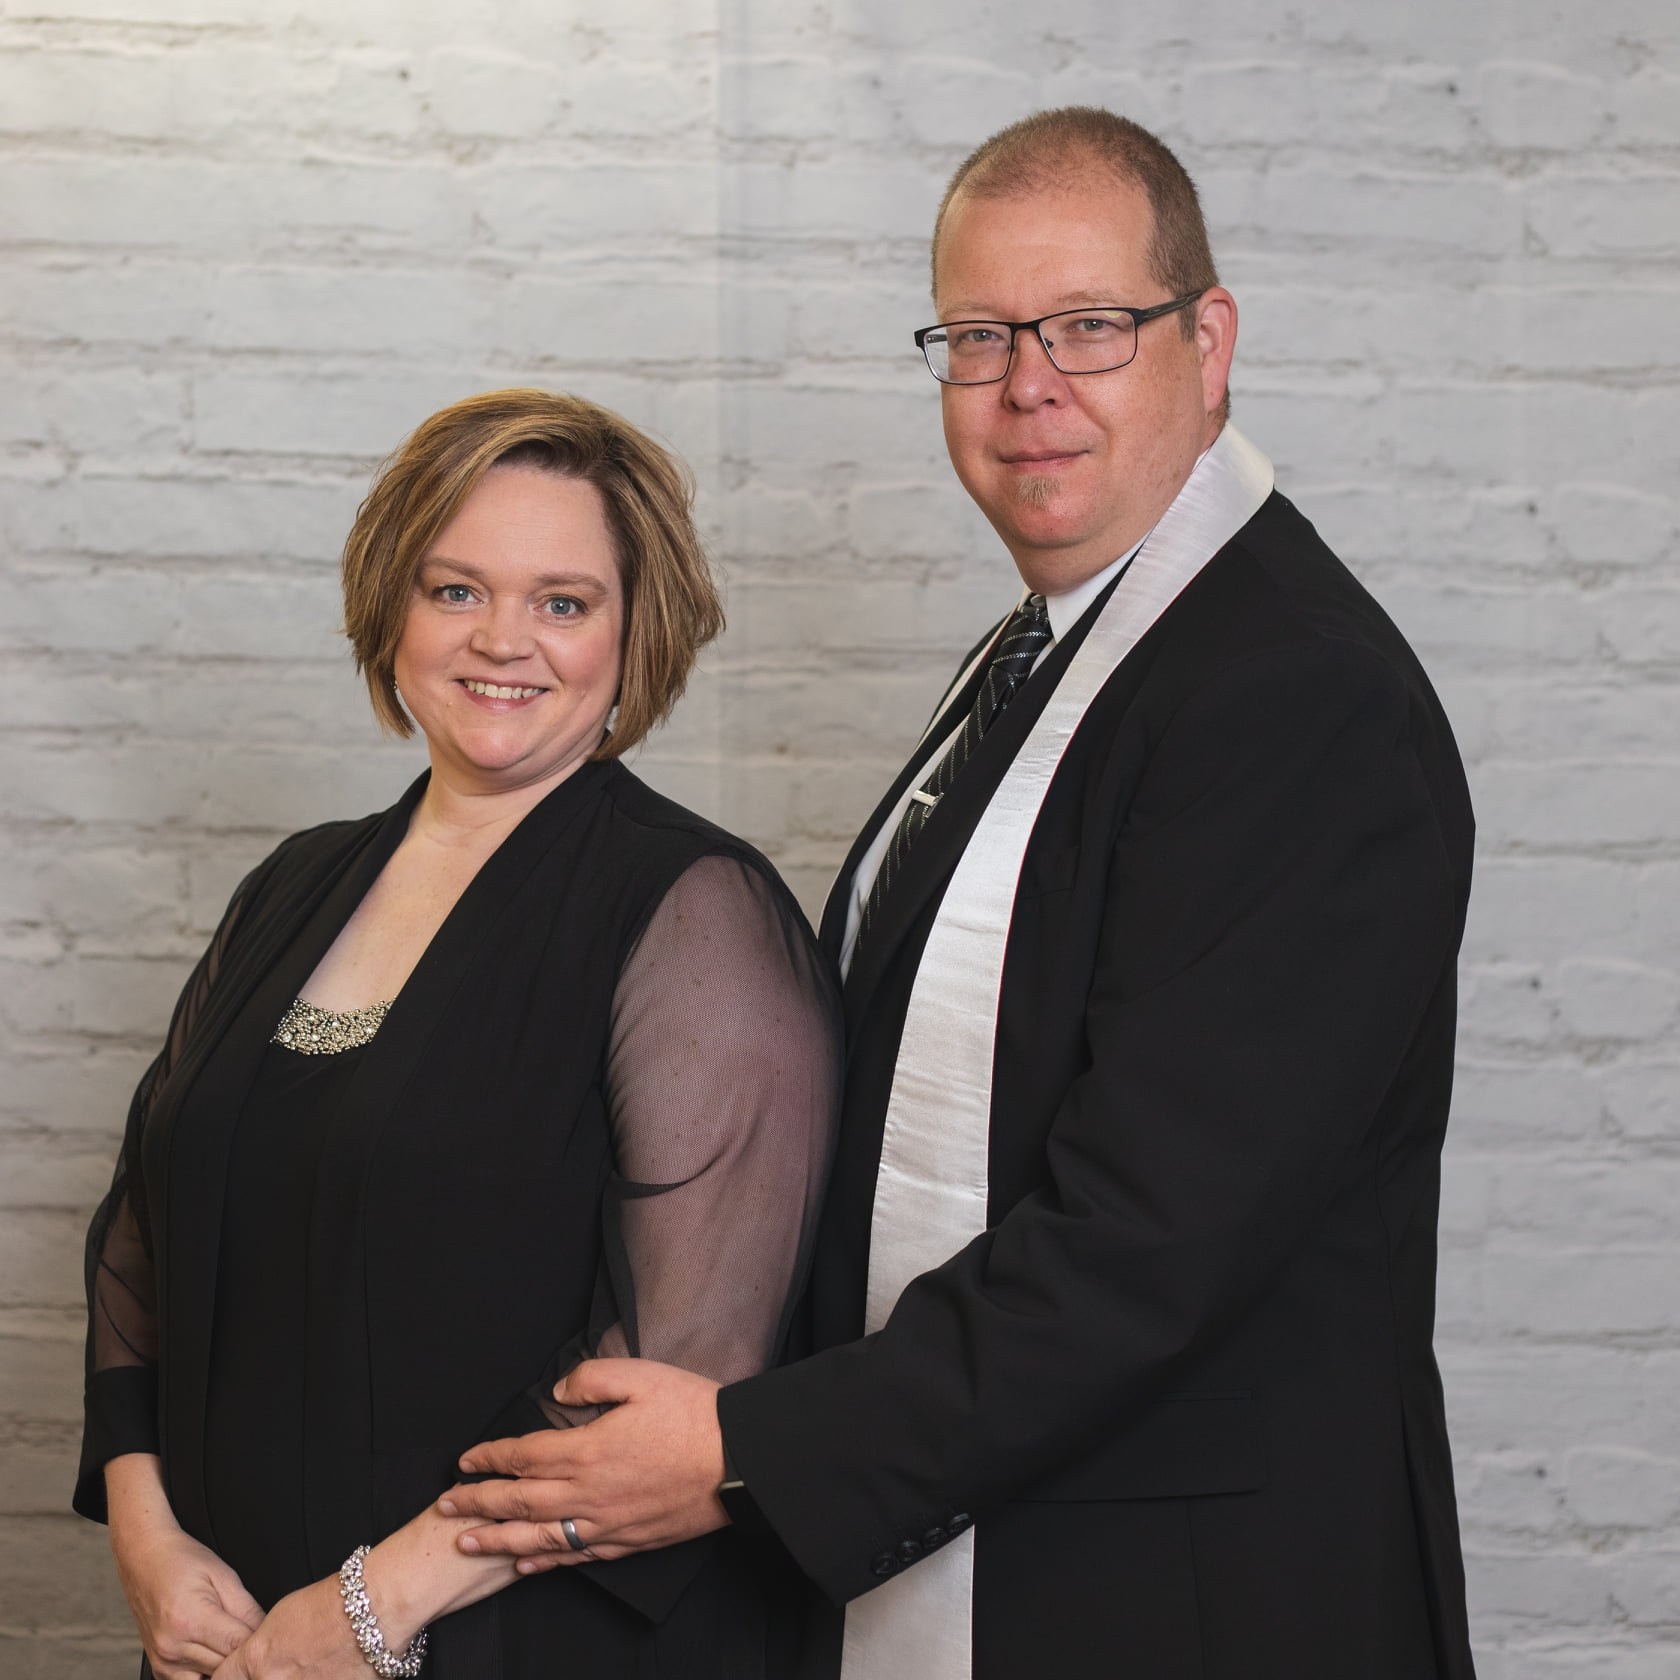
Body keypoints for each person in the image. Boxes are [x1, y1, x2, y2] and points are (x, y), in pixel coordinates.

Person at [439, 108, 1481, 1680]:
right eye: (979, 336)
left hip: (1191, 1604)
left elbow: (1152, 1237)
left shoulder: (1295, 698)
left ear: (1209, 344)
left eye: (1089, 326)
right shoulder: (1050, 655)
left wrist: (745, 1451)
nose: (1027, 385)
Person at [74, 387, 841, 1680]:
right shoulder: (294, 885)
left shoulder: (694, 914)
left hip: (512, 1636)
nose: (503, 640)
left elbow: (678, 1373)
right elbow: (143, 1238)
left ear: (635, 630)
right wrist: (149, 1542)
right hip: (232, 1639)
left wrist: (368, 1611)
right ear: (394, 607)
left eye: (563, 602)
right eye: (455, 589)